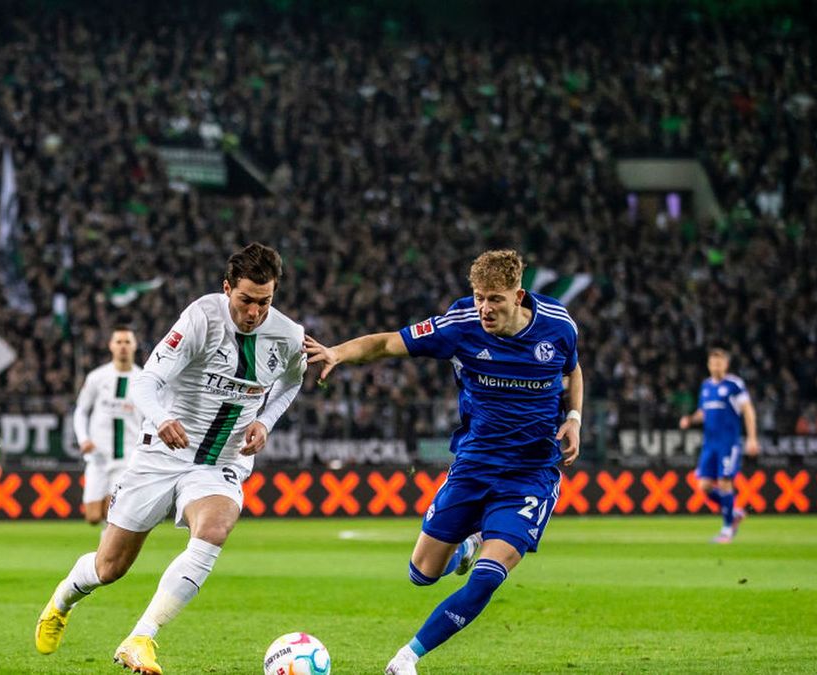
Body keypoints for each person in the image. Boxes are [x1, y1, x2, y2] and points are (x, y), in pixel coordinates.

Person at [304, 250, 583, 675]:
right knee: (422, 573)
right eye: (478, 298)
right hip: (474, 463)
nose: (485, 309)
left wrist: (575, 419)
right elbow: (386, 343)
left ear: (518, 296)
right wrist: (338, 354)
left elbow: (573, 370)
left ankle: (407, 658)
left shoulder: (558, 325)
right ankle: (468, 544)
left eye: (495, 299)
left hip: (531, 472)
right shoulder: (459, 326)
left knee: (489, 576)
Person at [35, 243, 307, 674]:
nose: (254, 312)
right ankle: (63, 598)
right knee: (109, 567)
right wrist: (161, 418)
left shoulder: (289, 335)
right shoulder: (200, 318)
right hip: (163, 453)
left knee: (215, 528)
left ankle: (141, 638)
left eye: (265, 302)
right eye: (246, 300)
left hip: (220, 461)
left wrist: (266, 422)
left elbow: (292, 381)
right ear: (226, 289)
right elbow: (147, 382)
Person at [678, 347, 759, 543]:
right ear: (708, 365)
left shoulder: (734, 385)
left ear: (726, 365)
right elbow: (703, 412)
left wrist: (752, 438)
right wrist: (690, 420)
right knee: (704, 486)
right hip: (710, 444)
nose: (716, 365)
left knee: (724, 482)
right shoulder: (706, 386)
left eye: (720, 362)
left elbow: (748, 410)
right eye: (713, 362)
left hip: (728, 443)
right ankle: (735, 513)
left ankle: (727, 529)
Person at [73, 326, 142, 525]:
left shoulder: (142, 379)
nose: (123, 347)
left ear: (134, 346)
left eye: (127, 342)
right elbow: (81, 411)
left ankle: (105, 554)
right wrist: (83, 439)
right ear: (111, 346)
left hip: (127, 457)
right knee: (93, 517)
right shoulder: (97, 377)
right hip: (98, 456)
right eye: (119, 342)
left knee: (114, 513)